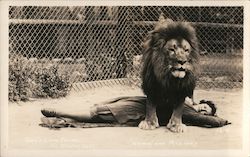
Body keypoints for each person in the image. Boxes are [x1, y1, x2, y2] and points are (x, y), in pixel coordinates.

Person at [40, 96, 229, 129]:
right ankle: (58, 112)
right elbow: (211, 122)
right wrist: (222, 121)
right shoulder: (186, 108)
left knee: (98, 113)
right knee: (96, 114)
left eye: (206, 112)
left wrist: (219, 119)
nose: (203, 112)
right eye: (204, 108)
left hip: (137, 105)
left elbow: (208, 120)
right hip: (136, 108)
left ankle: (59, 113)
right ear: (199, 103)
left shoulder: (184, 109)